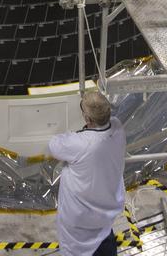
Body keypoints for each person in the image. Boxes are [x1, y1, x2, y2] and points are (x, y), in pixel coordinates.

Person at [49, 90, 126, 256]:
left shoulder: (80, 143)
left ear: (88, 119)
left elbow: (54, 145)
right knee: (105, 241)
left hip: (80, 222)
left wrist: (73, 133)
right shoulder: (118, 127)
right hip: (105, 215)